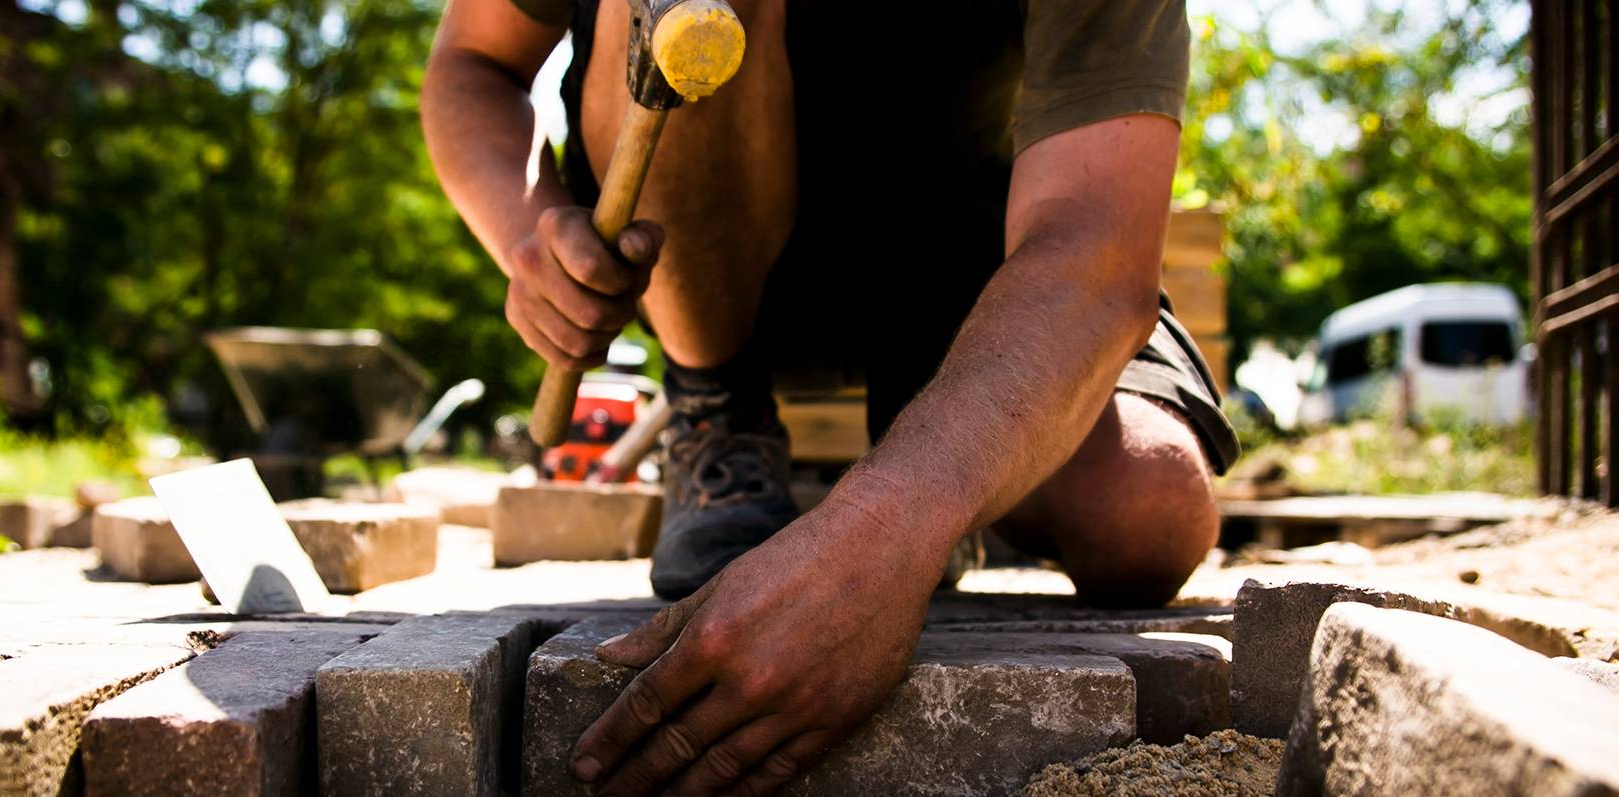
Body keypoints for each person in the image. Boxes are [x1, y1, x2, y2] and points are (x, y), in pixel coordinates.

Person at [422, 0, 1238, 793]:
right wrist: (527, 230)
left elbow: (1096, 253)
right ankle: (719, 407)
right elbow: (475, 61)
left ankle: (941, 438)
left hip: (965, 257)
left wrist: (895, 524)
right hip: (705, 241)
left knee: (1147, 509)